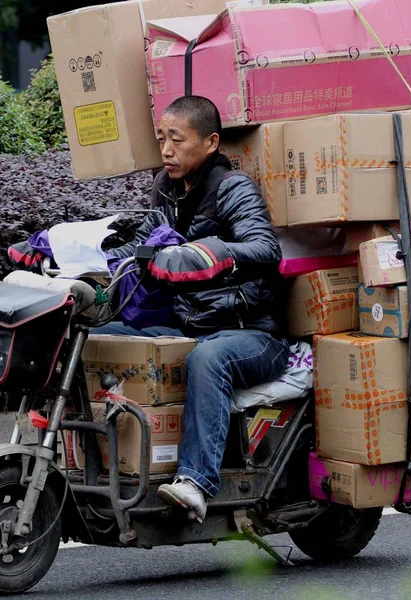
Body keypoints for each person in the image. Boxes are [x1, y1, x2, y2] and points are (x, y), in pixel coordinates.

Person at [93, 96, 290, 523]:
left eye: (177, 140)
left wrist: (210, 253)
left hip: (252, 333)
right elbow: (142, 248)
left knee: (208, 357)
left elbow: (265, 248)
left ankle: (195, 482)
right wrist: (76, 261)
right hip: (189, 326)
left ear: (211, 142)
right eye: (162, 138)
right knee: (101, 342)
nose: (166, 150)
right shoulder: (165, 189)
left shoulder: (232, 188)